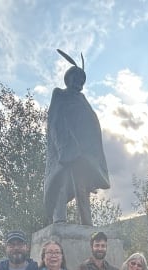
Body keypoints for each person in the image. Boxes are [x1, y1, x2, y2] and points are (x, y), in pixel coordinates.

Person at [44, 51, 110, 226]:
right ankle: (59, 220)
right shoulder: (60, 94)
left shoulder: (82, 99)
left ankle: (87, 223)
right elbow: (55, 121)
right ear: (68, 79)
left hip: (83, 153)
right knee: (61, 183)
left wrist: (92, 154)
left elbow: (91, 126)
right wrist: (63, 148)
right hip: (65, 149)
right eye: (76, 79)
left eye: (81, 81)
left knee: (82, 187)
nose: (79, 83)